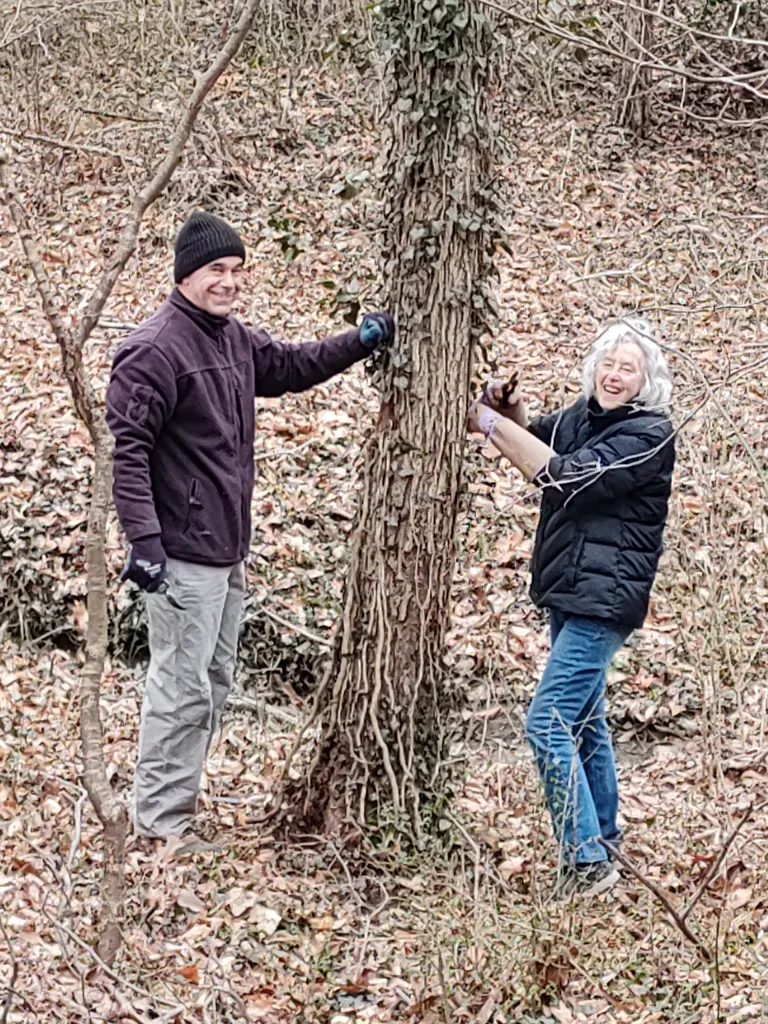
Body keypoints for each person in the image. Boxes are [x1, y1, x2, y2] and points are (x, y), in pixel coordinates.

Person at [106, 210, 394, 852]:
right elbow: (126, 453)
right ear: (186, 275)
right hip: (180, 555)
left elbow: (292, 367)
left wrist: (364, 338)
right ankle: (159, 826)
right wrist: (144, 544)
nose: (229, 281)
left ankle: (174, 807)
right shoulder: (154, 351)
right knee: (180, 689)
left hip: (227, 551)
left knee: (212, 684)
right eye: (216, 270)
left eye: (236, 270)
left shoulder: (231, 340)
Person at [468, 318, 674, 896]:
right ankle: (603, 841)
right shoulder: (584, 416)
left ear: (646, 381)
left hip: (604, 600)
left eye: (627, 368)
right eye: (607, 364)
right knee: (584, 721)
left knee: (547, 720)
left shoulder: (648, 436)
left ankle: (585, 861)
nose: (614, 375)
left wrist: (482, 422)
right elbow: (535, 437)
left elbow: (565, 479)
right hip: (569, 589)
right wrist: (508, 410)